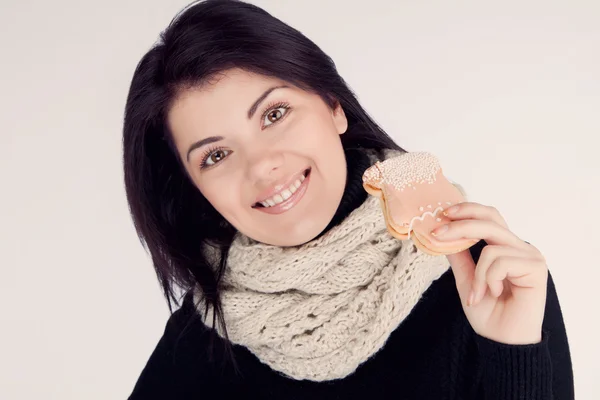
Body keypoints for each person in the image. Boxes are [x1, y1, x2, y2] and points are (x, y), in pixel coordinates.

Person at [123, 1, 574, 398]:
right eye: (216, 155)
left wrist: (514, 354)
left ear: (333, 106)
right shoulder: (206, 333)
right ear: (193, 187)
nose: (261, 166)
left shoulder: (494, 279)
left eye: (274, 114)